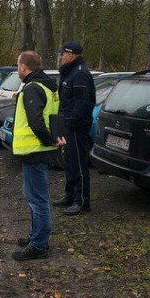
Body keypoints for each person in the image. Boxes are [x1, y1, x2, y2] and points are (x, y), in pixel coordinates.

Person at [11, 51, 64, 261]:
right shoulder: (48, 86)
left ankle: (39, 245)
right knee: (34, 197)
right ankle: (36, 237)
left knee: (37, 200)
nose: (17, 69)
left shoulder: (33, 88)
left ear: (24, 67)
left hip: (35, 151)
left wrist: (47, 140)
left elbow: (36, 122)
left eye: (18, 65)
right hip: (39, 151)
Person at [53, 41, 96, 216]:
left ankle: (82, 202)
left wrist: (72, 122)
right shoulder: (69, 73)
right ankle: (70, 195)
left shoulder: (80, 75)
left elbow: (82, 104)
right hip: (68, 125)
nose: (61, 57)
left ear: (70, 55)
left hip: (77, 127)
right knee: (69, 163)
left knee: (78, 164)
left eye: (62, 54)